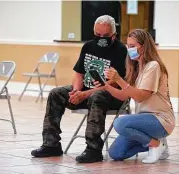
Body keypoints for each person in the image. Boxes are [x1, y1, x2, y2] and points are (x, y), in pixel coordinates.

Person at [31, 15, 128, 163]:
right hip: (84, 92)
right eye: (98, 35)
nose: (101, 38)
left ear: (114, 35)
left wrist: (84, 94)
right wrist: (76, 91)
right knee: (56, 93)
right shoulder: (88, 46)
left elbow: (114, 83)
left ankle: (93, 150)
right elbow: (79, 73)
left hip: (110, 96)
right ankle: (51, 144)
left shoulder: (121, 50)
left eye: (106, 36)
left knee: (98, 96)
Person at [94, 29, 175, 164]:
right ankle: (159, 143)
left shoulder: (153, 66)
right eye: (128, 46)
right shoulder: (137, 69)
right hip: (142, 122)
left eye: (132, 46)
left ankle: (155, 144)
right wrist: (106, 86)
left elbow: (141, 97)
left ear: (143, 47)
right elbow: (123, 96)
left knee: (119, 123)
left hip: (160, 120)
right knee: (116, 153)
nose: (129, 49)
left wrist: (119, 79)